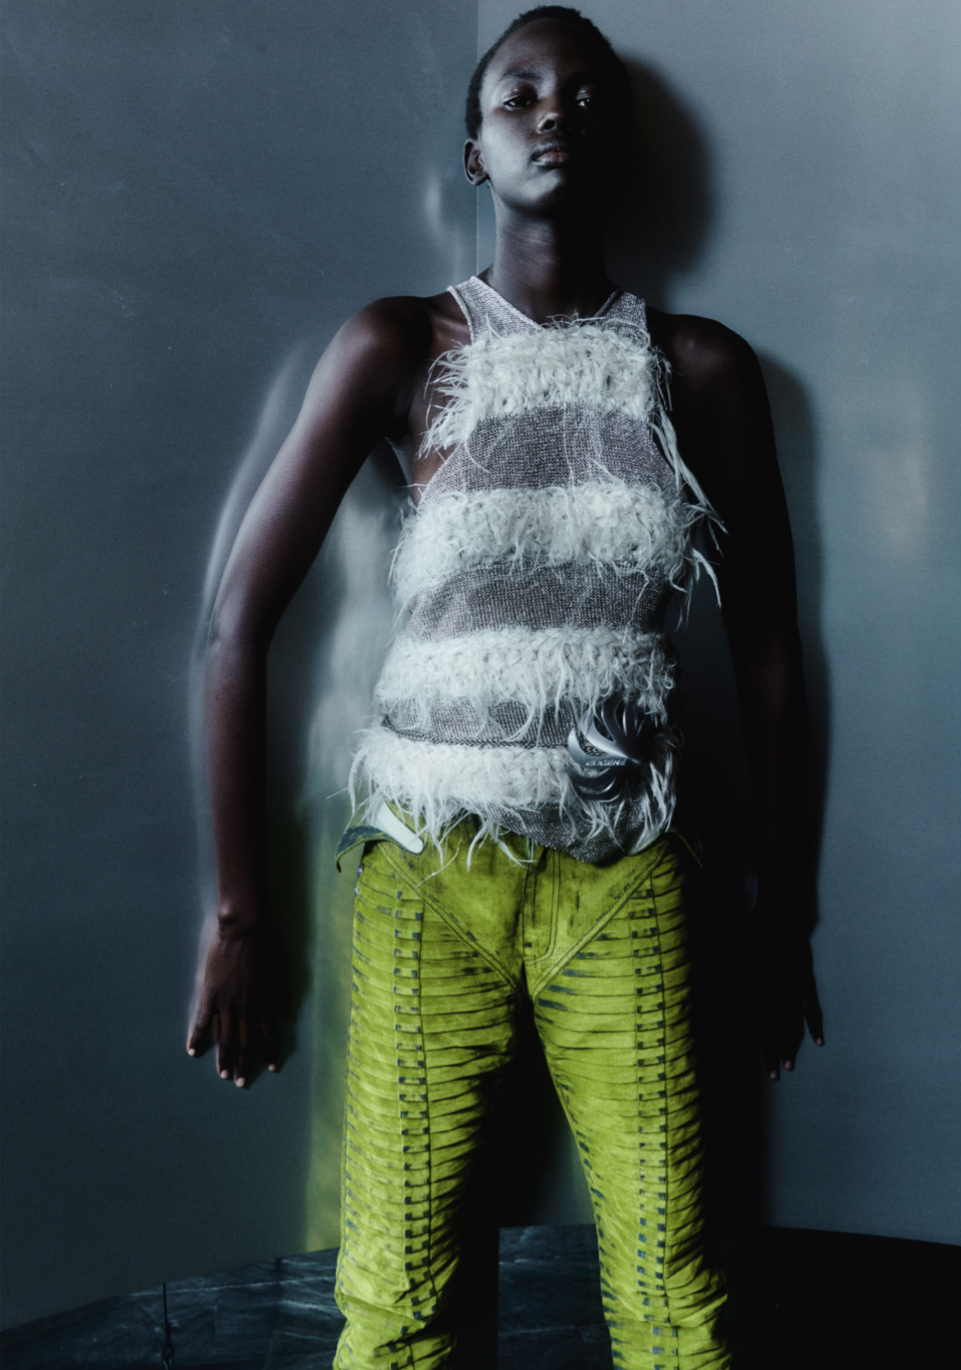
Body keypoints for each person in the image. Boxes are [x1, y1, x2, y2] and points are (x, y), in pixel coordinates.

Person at [188, 8, 824, 1367]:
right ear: (474, 151)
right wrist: (240, 913)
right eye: (518, 92)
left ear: (621, 146)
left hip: (627, 871)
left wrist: (781, 915)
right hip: (427, 868)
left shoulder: (700, 369)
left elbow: (770, 646)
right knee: (396, 1299)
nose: (553, 113)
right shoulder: (400, 343)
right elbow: (234, 627)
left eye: (586, 97)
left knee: (674, 1297)